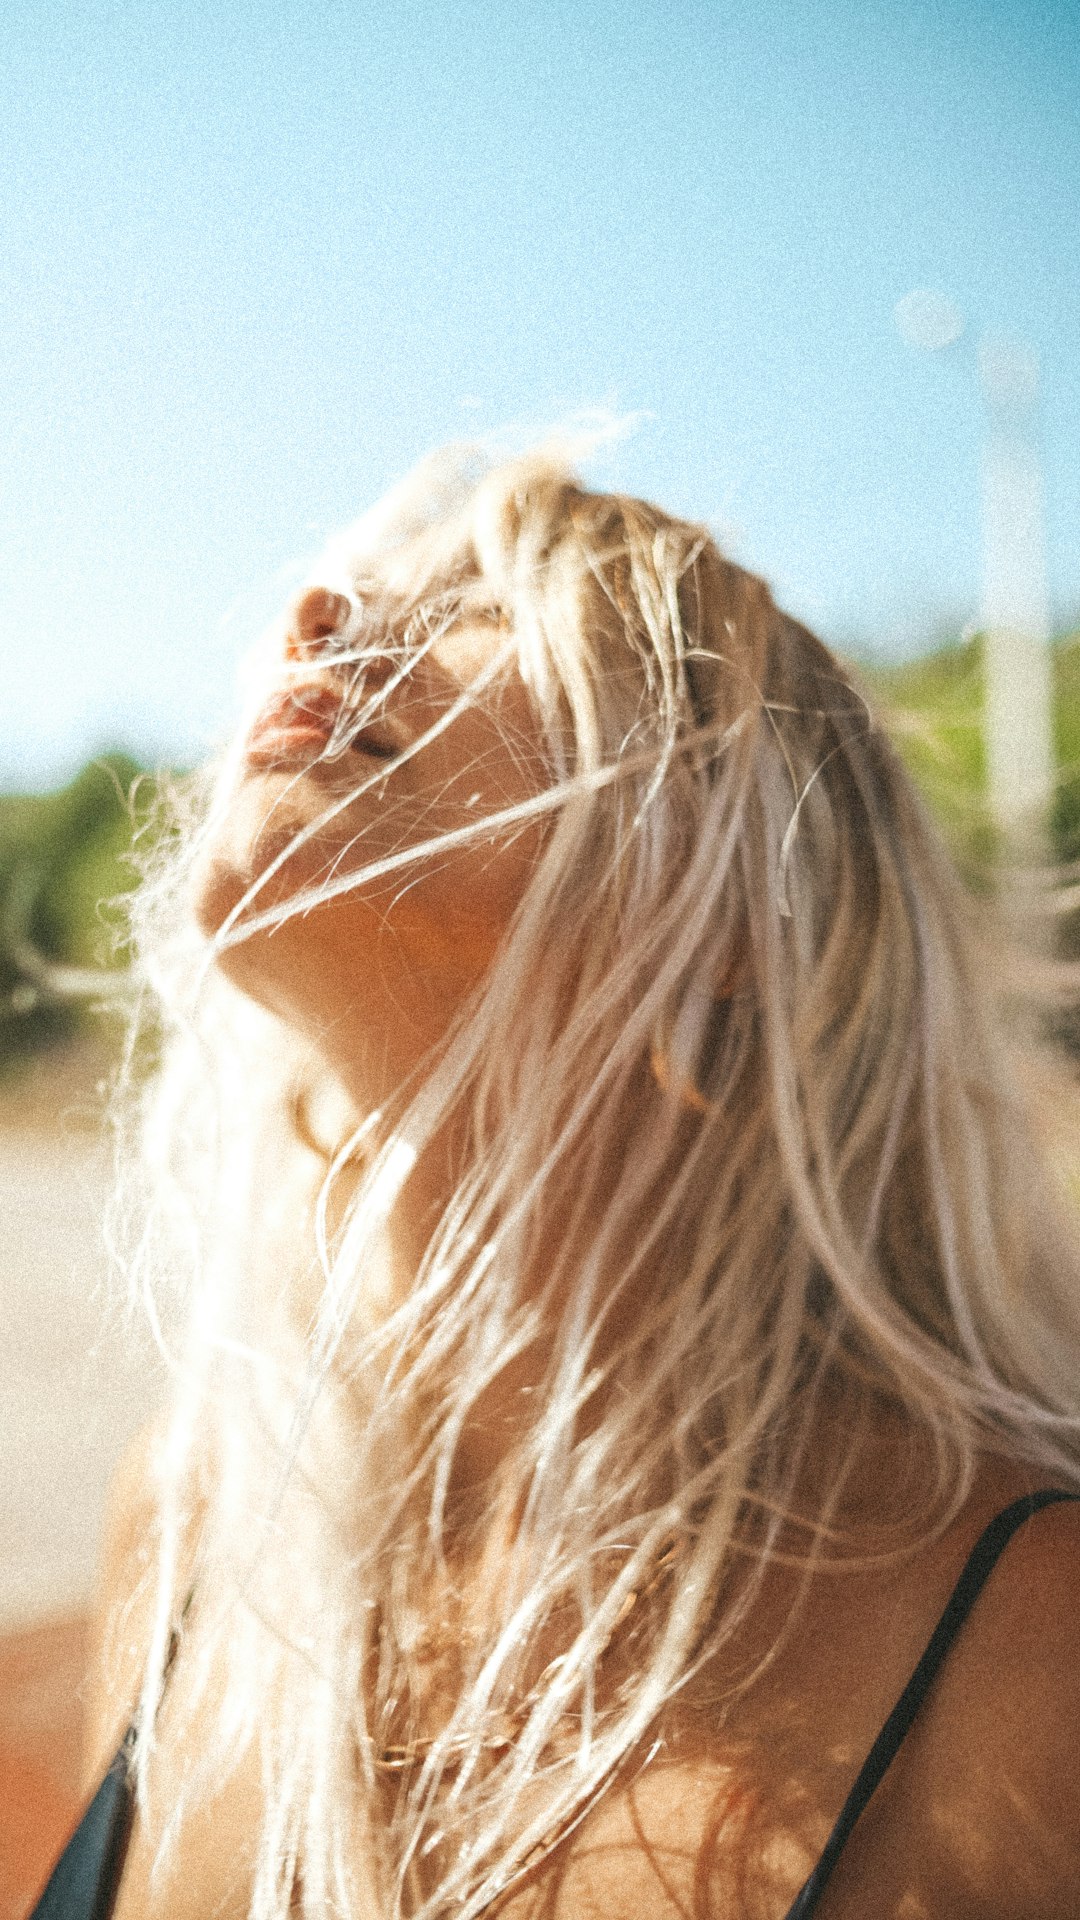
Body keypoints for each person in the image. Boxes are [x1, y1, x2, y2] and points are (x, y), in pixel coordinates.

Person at [79, 446, 1080, 1919]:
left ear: (752, 899)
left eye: (482, 599)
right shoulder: (188, 1510)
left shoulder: (1027, 1638)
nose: (318, 611)